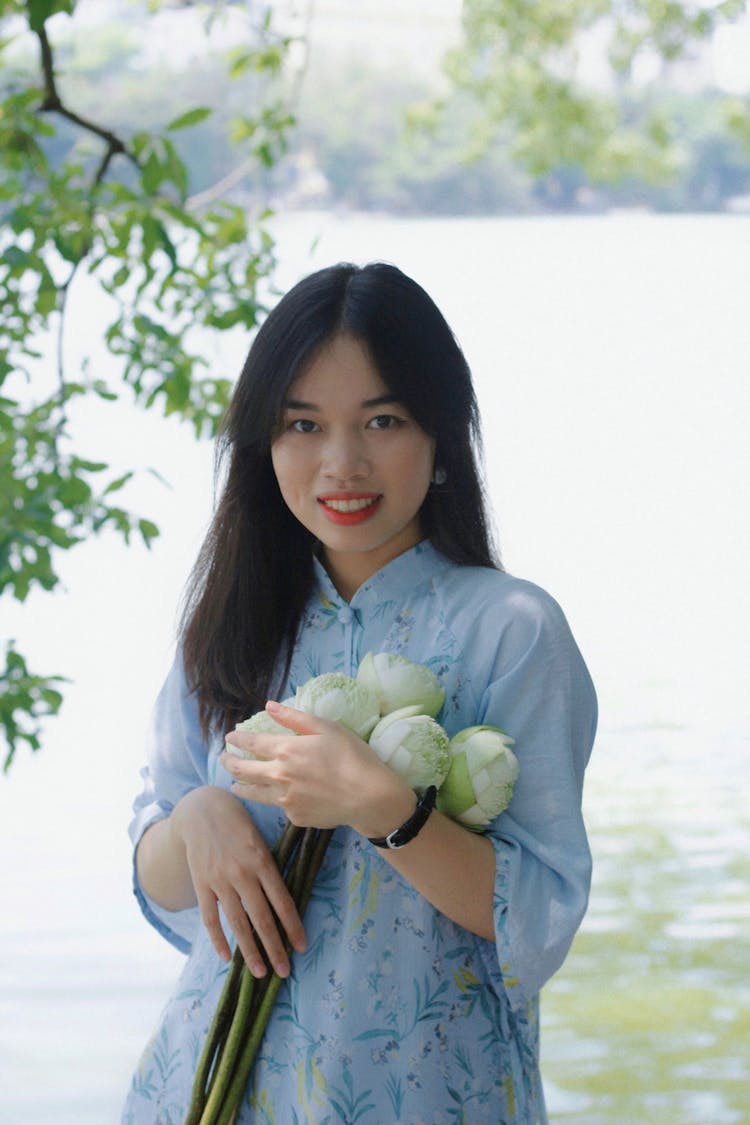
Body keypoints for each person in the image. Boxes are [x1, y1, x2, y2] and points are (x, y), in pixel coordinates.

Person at [123, 261, 597, 1124]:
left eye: (382, 419)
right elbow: (157, 876)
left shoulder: (512, 630)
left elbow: (538, 915)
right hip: (211, 1088)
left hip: (429, 1093)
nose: (341, 462)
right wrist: (195, 816)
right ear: (264, 444)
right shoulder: (234, 619)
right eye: (302, 423)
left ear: (442, 435)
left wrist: (387, 808)